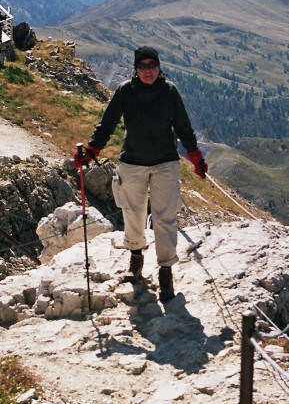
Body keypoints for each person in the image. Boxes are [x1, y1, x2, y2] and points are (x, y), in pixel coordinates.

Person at [75, 46, 208, 303]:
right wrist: (93, 150)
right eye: (143, 66)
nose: (148, 71)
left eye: (152, 65)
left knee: (165, 217)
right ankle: (136, 258)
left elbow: (183, 126)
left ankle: (166, 270)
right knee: (132, 213)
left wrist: (195, 157)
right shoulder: (126, 91)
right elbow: (108, 122)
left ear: (159, 68)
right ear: (136, 69)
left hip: (165, 164)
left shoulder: (169, 91)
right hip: (132, 162)